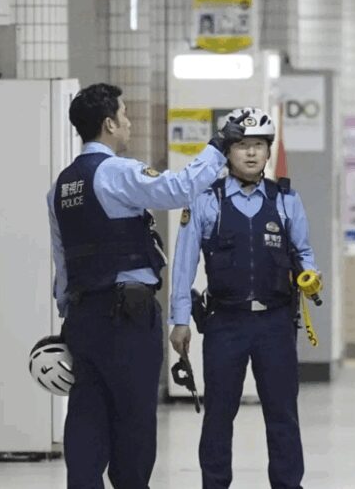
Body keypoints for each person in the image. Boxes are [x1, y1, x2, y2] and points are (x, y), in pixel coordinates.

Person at [48, 83, 246, 489]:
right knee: (134, 417)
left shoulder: (61, 187)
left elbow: (63, 263)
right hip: (127, 318)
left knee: (86, 416)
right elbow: (179, 189)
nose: (129, 122)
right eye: (124, 115)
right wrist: (218, 145)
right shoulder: (116, 172)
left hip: (83, 319)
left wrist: (71, 320)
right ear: (108, 124)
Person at [169, 107, 316, 489]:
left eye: (258, 146)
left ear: (269, 152)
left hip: (275, 323)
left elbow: (305, 252)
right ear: (227, 151)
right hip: (224, 324)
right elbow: (184, 265)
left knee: (283, 415)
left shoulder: (286, 200)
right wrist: (180, 319)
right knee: (219, 415)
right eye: (241, 146)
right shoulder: (207, 201)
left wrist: (311, 276)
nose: (250, 154)